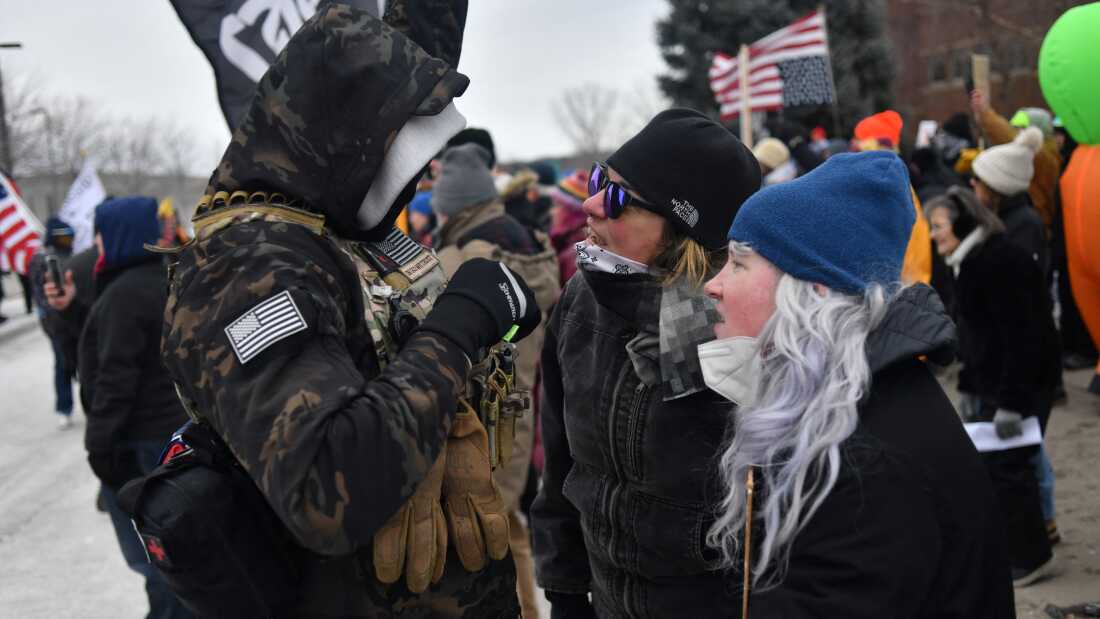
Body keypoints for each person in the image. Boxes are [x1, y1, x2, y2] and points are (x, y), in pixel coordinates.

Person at [158, 4, 539, 616]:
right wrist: (462, 326)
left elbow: (399, 69)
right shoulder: (248, 265)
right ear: (348, 145)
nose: (414, 188)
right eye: (404, 165)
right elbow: (322, 485)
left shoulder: (330, 226)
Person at [702, 151, 1013, 616]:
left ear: (812, 292)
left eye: (739, 264)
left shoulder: (864, 465)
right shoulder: (849, 405)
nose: (713, 284)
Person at [532, 108, 762, 617]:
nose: (590, 203)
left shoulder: (728, 322)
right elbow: (561, 459)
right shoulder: (581, 299)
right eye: (598, 179)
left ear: (680, 230)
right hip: (606, 597)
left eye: (616, 196)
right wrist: (564, 585)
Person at [431, 142, 561, 618]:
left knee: (476, 538)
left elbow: (442, 337)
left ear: (451, 202)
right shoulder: (525, 238)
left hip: (477, 416)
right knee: (507, 525)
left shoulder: (468, 252)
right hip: (520, 403)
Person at [925, 186, 1059, 586]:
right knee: (1009, 466)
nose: (933, 235)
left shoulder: (997, 261)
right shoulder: (969, 259)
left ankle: (1032, 556)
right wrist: (969, 385)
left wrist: (1011, 403)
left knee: (1011, 467)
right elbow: (978, 336)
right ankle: (1025, 544)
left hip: (1019, 383)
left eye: (938, 226)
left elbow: (1021, 336)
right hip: (995, 380)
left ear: (964, 223)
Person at [78, 196, 193, 619]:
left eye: (101, 233)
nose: (96, 243)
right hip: (169, 437)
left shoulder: (125, 295)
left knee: (158, 563)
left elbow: (115, 382)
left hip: (141, 446)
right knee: (176, 557)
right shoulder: (162, 279)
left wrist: (99, 450)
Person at [851, 110, 933, 286]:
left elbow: (913, 254)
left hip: (898, 291)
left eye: (858, 143)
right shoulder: (890, 183)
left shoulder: (891, 189)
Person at [971, 90, 1063, 232]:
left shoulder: (1043, 157)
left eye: (1022, 130)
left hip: (1041, 229)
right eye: (1015, 129)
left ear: (1036, 133)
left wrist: (985, 114)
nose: (1018, 136)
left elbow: (1008, 137)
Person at [28, 216, 77, 428]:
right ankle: (64, 408)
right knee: (62, 364)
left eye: (69, 237)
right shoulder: (41, 260)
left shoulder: (74, 257)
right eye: (63, 238)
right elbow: (39, 295)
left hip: (76, 319)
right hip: (56, 323)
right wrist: (53, 320)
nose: (67, 241)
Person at [547, 169, 590, 285]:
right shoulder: (566, 242)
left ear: (573, 213)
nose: (552, 212)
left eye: (558, 206)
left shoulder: (575, 254)